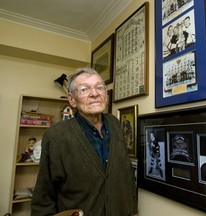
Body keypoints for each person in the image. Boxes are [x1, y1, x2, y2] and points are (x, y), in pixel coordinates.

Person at [31, 68, 138, 216]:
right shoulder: (56, 136)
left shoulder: (114, 123)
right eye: (84, 89)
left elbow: (126, 173)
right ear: (72, 99)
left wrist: (133, 209)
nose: (95, 94)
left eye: (99, 87)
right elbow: (44, 195)